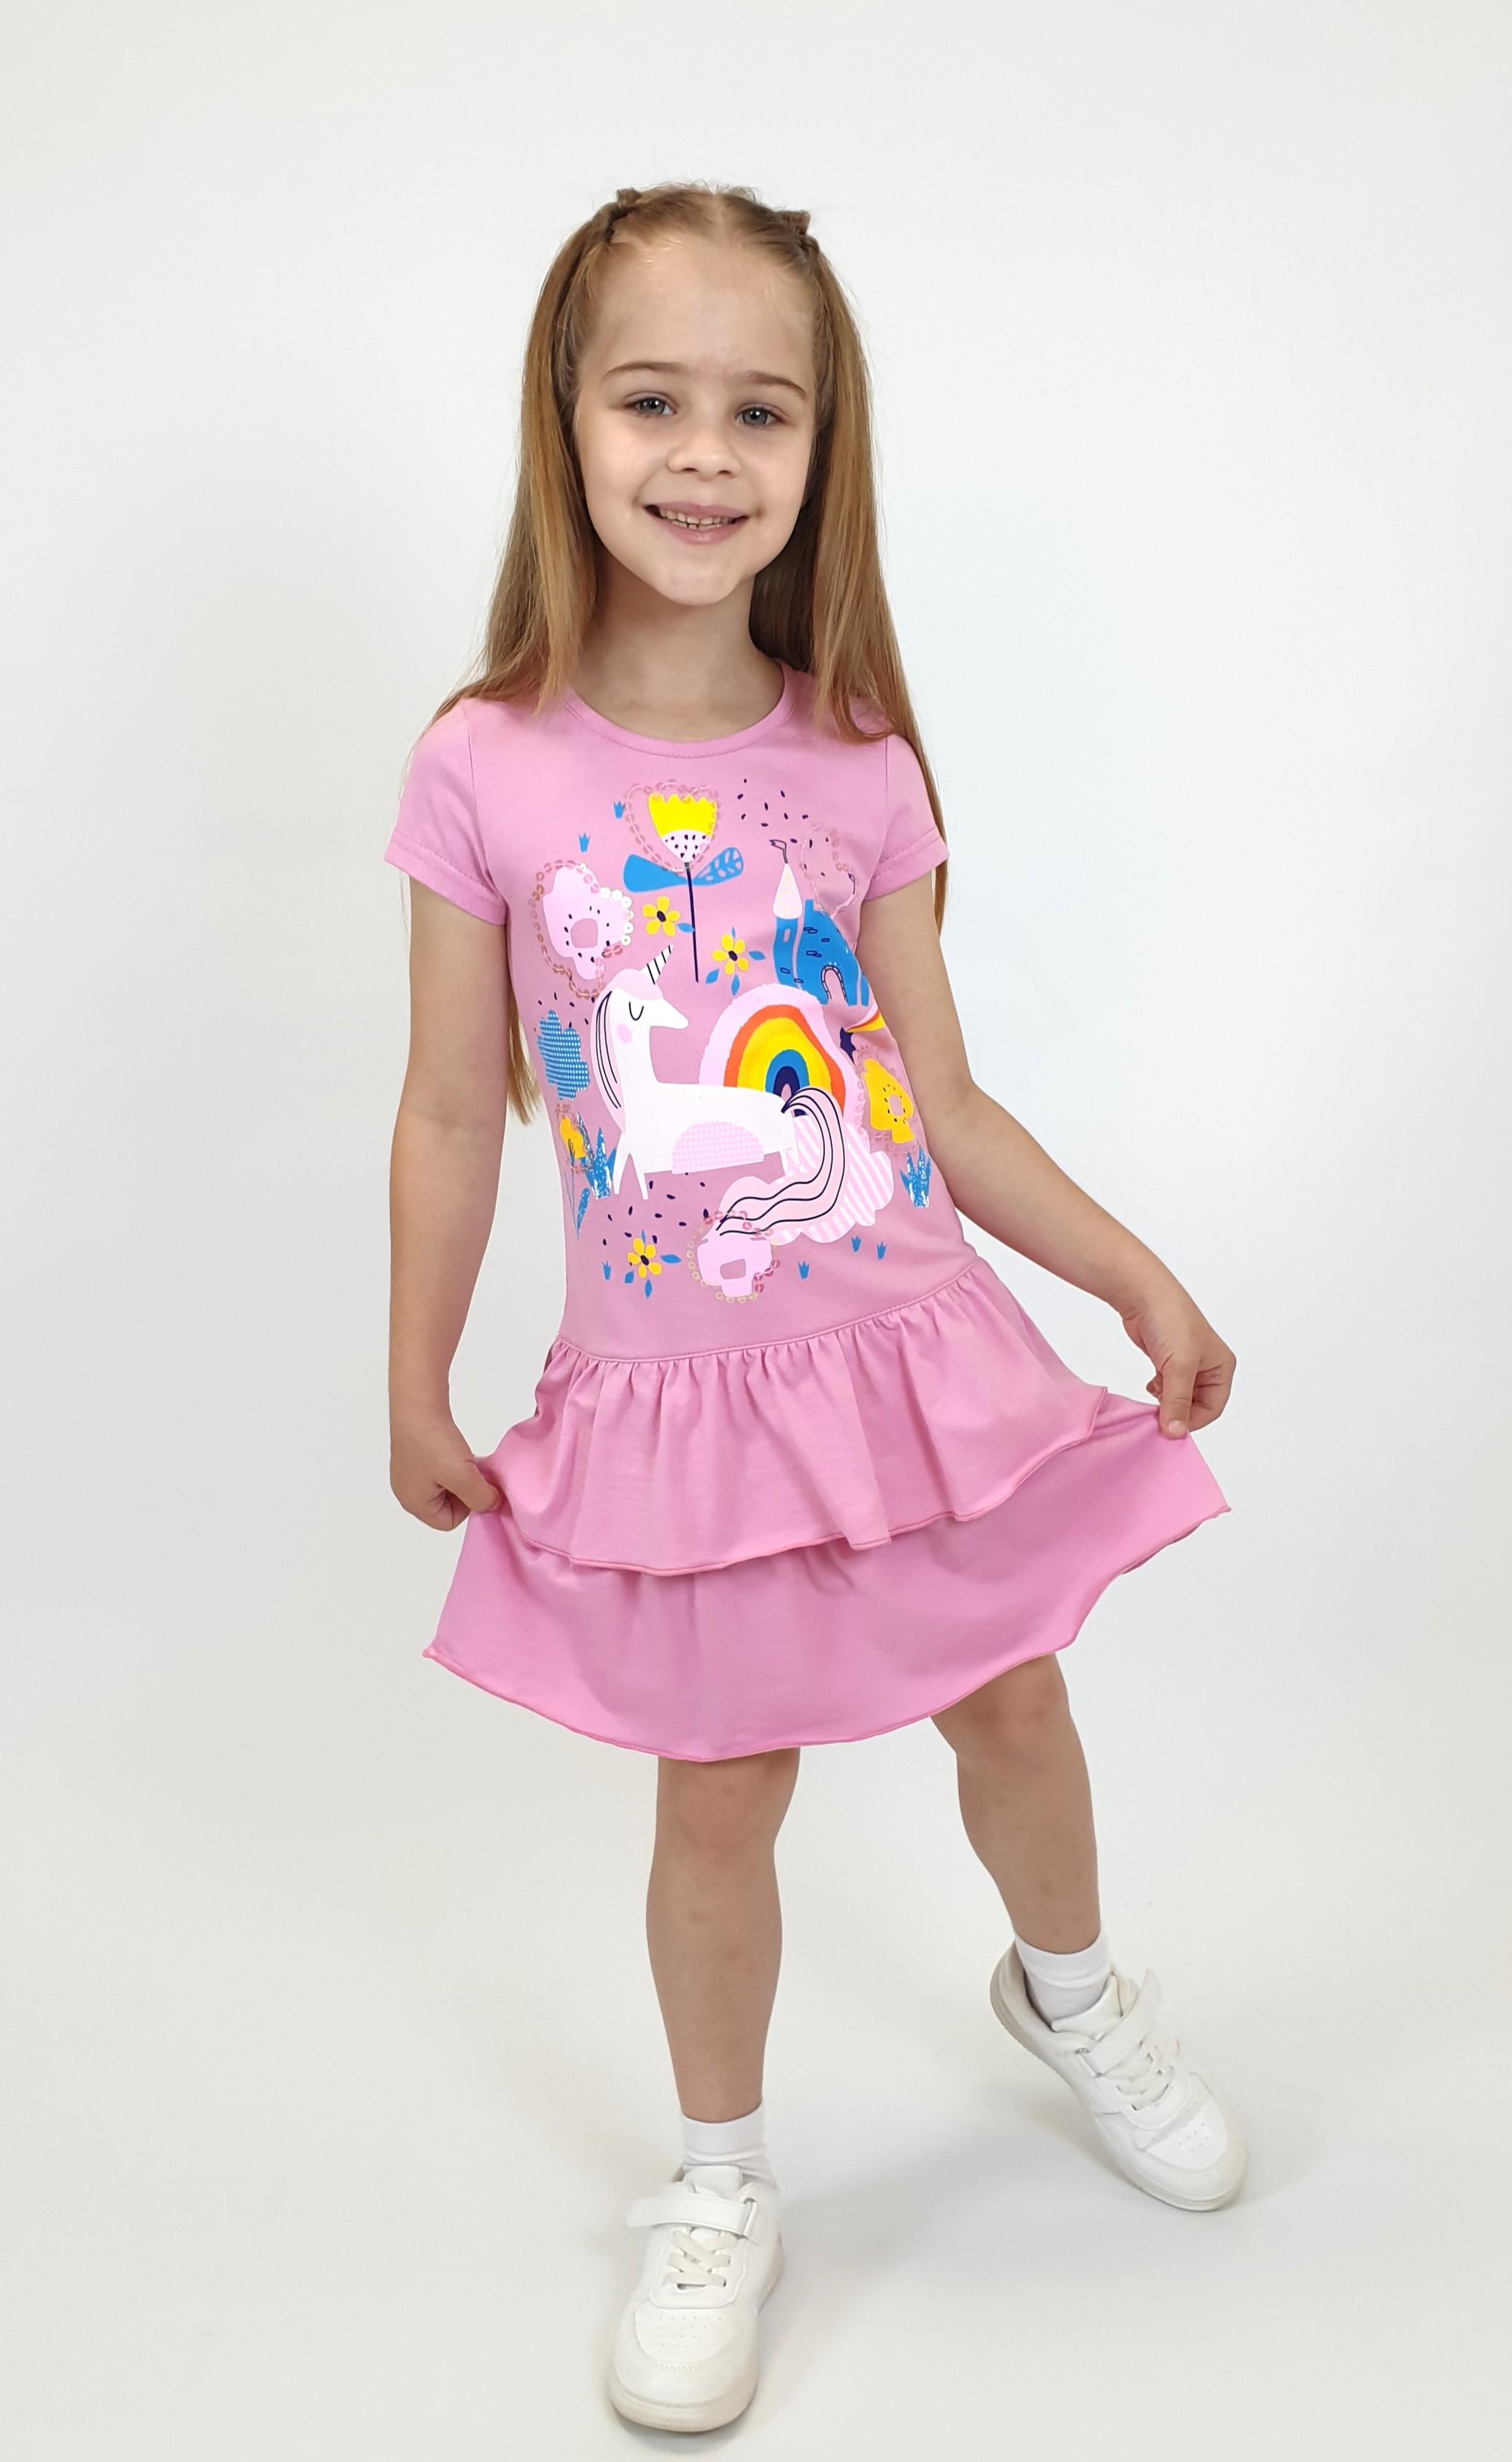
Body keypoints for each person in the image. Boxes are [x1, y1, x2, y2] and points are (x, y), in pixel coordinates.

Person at [382, 181, 1245, 2436]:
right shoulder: (485, 763)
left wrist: (1132, 1271)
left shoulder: (857, 759)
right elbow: (455, 1105)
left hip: (910, 1364)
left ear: (820, 446)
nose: (705, 454)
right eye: (652, 401)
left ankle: (1073, 1995)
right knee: (720, 1790)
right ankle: (721, 2179)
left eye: (760, 410)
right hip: (673, 1409)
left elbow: (938, 1097)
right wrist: (414, 1373)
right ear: (566, 425)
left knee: (1017, 1708)